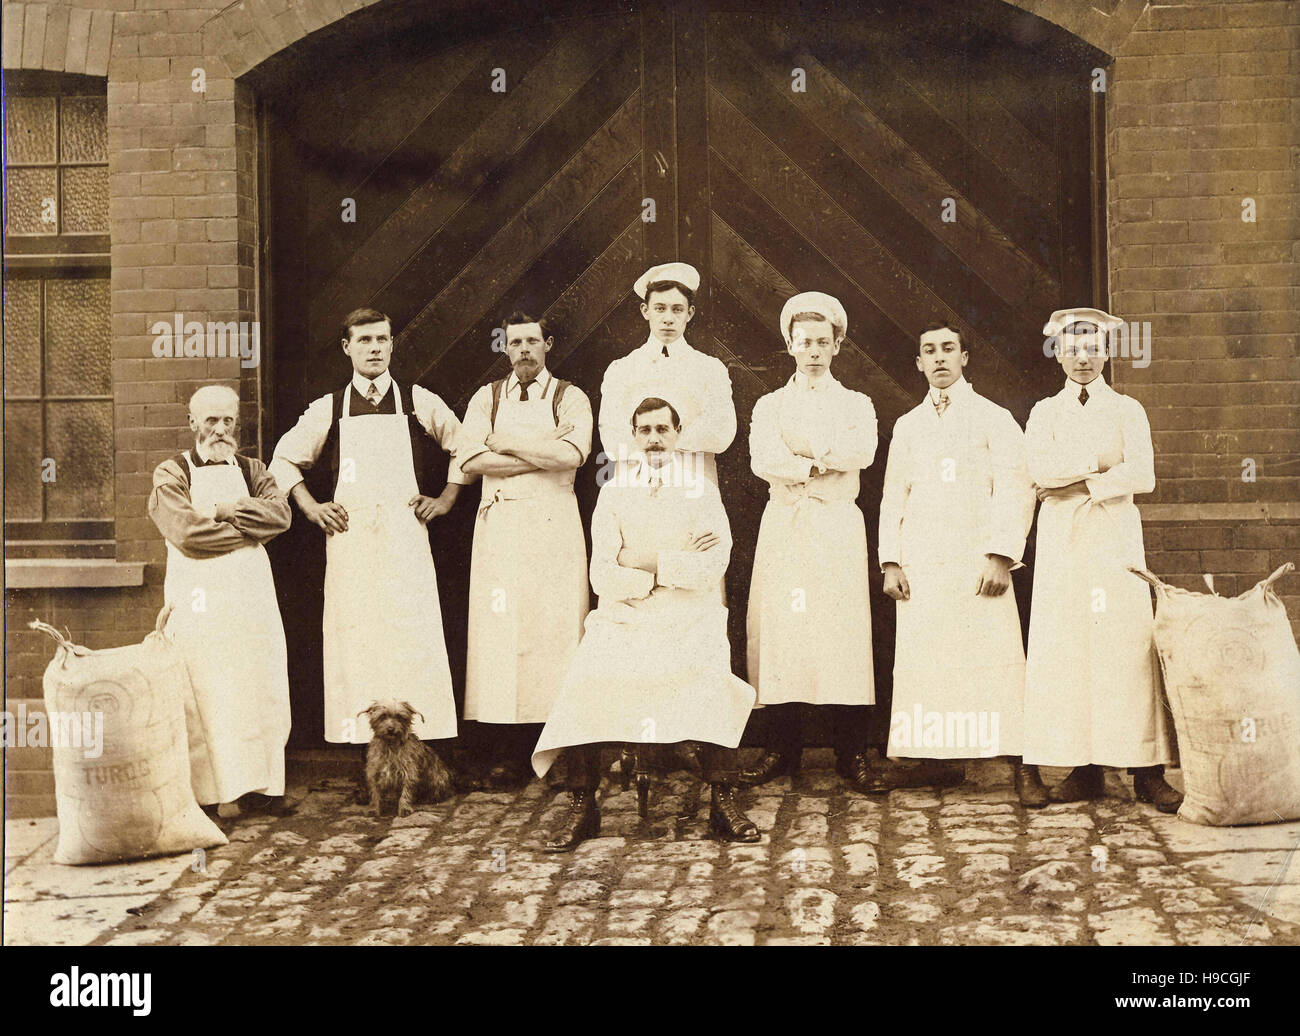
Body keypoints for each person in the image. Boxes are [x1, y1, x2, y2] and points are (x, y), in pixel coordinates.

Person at [532, 398, 760, 851]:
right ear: (633, 437)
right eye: (645, 430)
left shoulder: (702, 491)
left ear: (678, 435)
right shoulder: (613, 493)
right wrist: (669, 568)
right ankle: (584, 805)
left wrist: (643, 561)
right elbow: (602, 573)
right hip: (628, 613)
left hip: (688, 613)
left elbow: (711, 566)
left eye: (663, 429)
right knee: (587, 674)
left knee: (711, 673)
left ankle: (724, 799)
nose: (654, 438)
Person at [269, 307, 466, 751]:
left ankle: (420, 744)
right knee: (355, 636)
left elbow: (466, 448)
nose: (375, 348)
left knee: (412, 632)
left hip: (405, 537)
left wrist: (446, 499)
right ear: (347, 347)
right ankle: (361, 747)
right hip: (352, 541)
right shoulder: (331, 407)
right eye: (364, 341)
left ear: (392, 344)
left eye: (382, 339)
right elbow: (283, 460)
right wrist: (312, 507)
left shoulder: (417, 401)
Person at [875, 323, 1045, 805]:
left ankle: (1020, 764)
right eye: (929, 350)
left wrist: (1001, 555)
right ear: (919, 363)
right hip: (924, 563)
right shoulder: (908, 425)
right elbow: (893, 497)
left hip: (978, 563)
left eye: (949, 348)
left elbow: (1017, 488)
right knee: (928, 660)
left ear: (965, 357)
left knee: (995, 659)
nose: (940, 358)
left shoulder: (994, 418)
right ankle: (933, 759)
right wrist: (892, 561)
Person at [1022, 307, 1181, 812]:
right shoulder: (1044, 412)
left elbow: (1144, 476)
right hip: (1064, 540)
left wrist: (1077, 480)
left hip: (1114, 537)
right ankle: (1083, 767)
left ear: (1108, 353)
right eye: (1072, 349)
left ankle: (1145, 770)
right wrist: (1101, 468)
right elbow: (1040, 474)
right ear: (1059, 355)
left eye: (1093, 348)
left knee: (1124, 644)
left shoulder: (1127, 409)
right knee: (1068, 645)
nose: (1083, 358)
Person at [740, 292, 879, 792]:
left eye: (824, 341)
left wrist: (803, 460)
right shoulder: (770, 404)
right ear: (790, 345)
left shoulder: (856, 403)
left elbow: (861, 449)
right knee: (783, 632)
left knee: (841, 632)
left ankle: (851, 753)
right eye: (805, 342)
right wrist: (817, 463)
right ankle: (781, 749)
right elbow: (763, 459)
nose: (814, 351)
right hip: (786, 523)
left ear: (838, 345)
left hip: (837, 525)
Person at [455, 312, 592, 788]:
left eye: (533, 341)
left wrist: (507, 444)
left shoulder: (570, 396)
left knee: (554, 632)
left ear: (547, 344)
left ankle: (559, 756)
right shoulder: (486, 398)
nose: (525, 351)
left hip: (554, 529)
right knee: (502, 636)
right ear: (506, 348)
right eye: (516, 343)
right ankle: (508, 755)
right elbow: (469, 459)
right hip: (501, 530)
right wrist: (539, 454)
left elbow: (572, 455)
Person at [148, 385, 293, 818]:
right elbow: (187, 534)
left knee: (259, 681)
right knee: (207, 687)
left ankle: (265, 787)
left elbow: (280, 515)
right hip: (200, 601)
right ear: (193, 423)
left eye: (227, 420)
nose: (220, 429)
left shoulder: (253, 469)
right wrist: (247, 531)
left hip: (250, 597)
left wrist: (223, 508)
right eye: (210, 420)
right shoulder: (172, 473)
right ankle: (213, 795)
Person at [597, 262, 736, 491]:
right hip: (636, 486)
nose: (668, 318)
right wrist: (682, 436)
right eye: (660, 308)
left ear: (689, 313)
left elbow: (721, 433)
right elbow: (613, 439)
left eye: (677, 309)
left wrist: (649, 437)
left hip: (694, 485)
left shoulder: (710, 369)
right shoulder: (621, 369)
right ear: (645, 311)